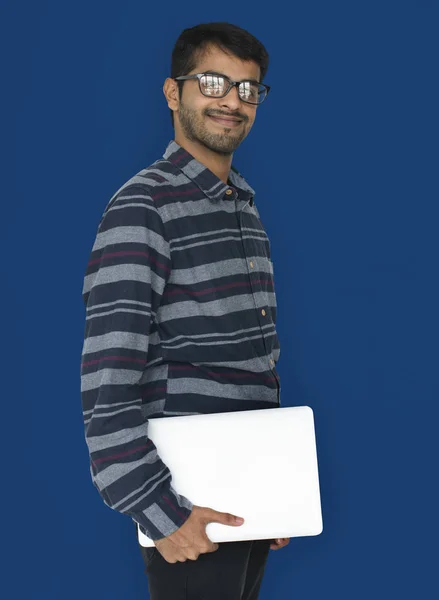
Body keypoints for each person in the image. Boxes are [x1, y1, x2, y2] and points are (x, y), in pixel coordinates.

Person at [80, 21, 288, 600]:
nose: (233, 101)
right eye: (214, 82)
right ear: (174, 93)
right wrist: (155, 509)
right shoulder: (143, 206)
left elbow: (249, 366)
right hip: (184, 501)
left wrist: (273, 484)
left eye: (249, 89)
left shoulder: (241, 205)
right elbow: (107, 380)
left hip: (245, 493)